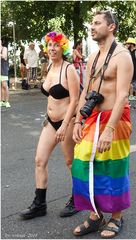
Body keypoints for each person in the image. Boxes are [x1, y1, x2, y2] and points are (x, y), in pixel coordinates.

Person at [72, 10, 133, 238]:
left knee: (113, 166)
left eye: (97, 23)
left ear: (111, 27)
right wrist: (78, 119)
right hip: (91, 118)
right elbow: (85, 92)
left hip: (114, 119)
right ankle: (95, 215)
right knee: (82, 164)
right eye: (91, 23)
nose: (92, 26)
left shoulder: (123, 56)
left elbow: (122, 96)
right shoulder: (92, 57)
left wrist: (109, 130)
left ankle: (116, 217)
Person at [19, 31, 80, 220]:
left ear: (63, 48)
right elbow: (51, 97)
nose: (52, 48)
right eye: (50, 45)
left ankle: (78, 199)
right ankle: (39, 204)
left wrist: (65, 125)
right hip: (51, 121)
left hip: (67, 122)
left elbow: (76, 100)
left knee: (70, 162)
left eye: (56, 45)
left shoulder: (68, 69)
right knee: (39, 160)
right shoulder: (49, 68)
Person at [0, 39, 11, 108]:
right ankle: (1, 101)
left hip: (3, 68)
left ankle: (6, 102)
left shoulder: (4, 48)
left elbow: (4, 56)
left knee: (4, 85)